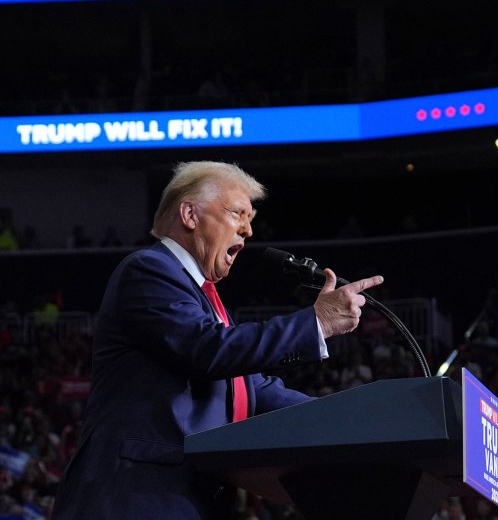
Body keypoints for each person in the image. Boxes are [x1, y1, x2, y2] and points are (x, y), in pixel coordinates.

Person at [51, 161, 384, 519]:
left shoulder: (202, 299)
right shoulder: (148, 269)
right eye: (238, 213)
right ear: (190, 215)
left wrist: (352, 415)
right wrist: (316, 322)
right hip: (135, 496)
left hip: (186, 498)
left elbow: (251, 391)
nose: (249, 230)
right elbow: (207, 349)